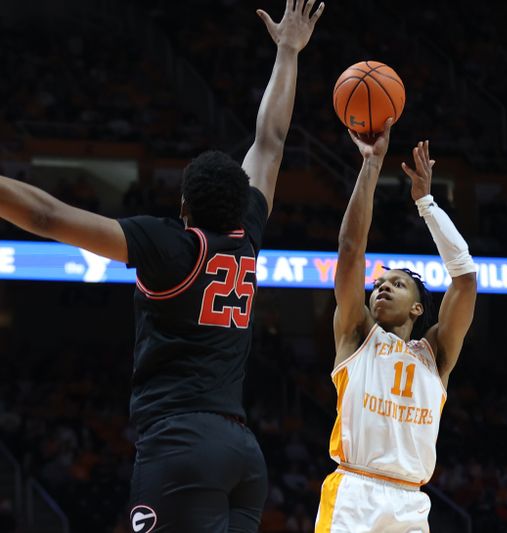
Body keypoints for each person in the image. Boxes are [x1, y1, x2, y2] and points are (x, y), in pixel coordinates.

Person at [0, 1, 324, 531]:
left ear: (184, 207)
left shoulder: (170, 246)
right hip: (242, 451)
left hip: (181, 445)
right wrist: (288, 52)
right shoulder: (248, 235)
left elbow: (46, 213)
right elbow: (271, 141)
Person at [314, 121, 478, 532]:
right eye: (378, 284)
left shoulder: (435, 355)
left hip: (409, 502)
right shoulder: (356, 335)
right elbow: (351, 249)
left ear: (419, 309)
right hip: (354, 491)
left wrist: (427, 204)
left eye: (397, 284)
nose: (382, 288)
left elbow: (465, 278)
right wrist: (372, 165)